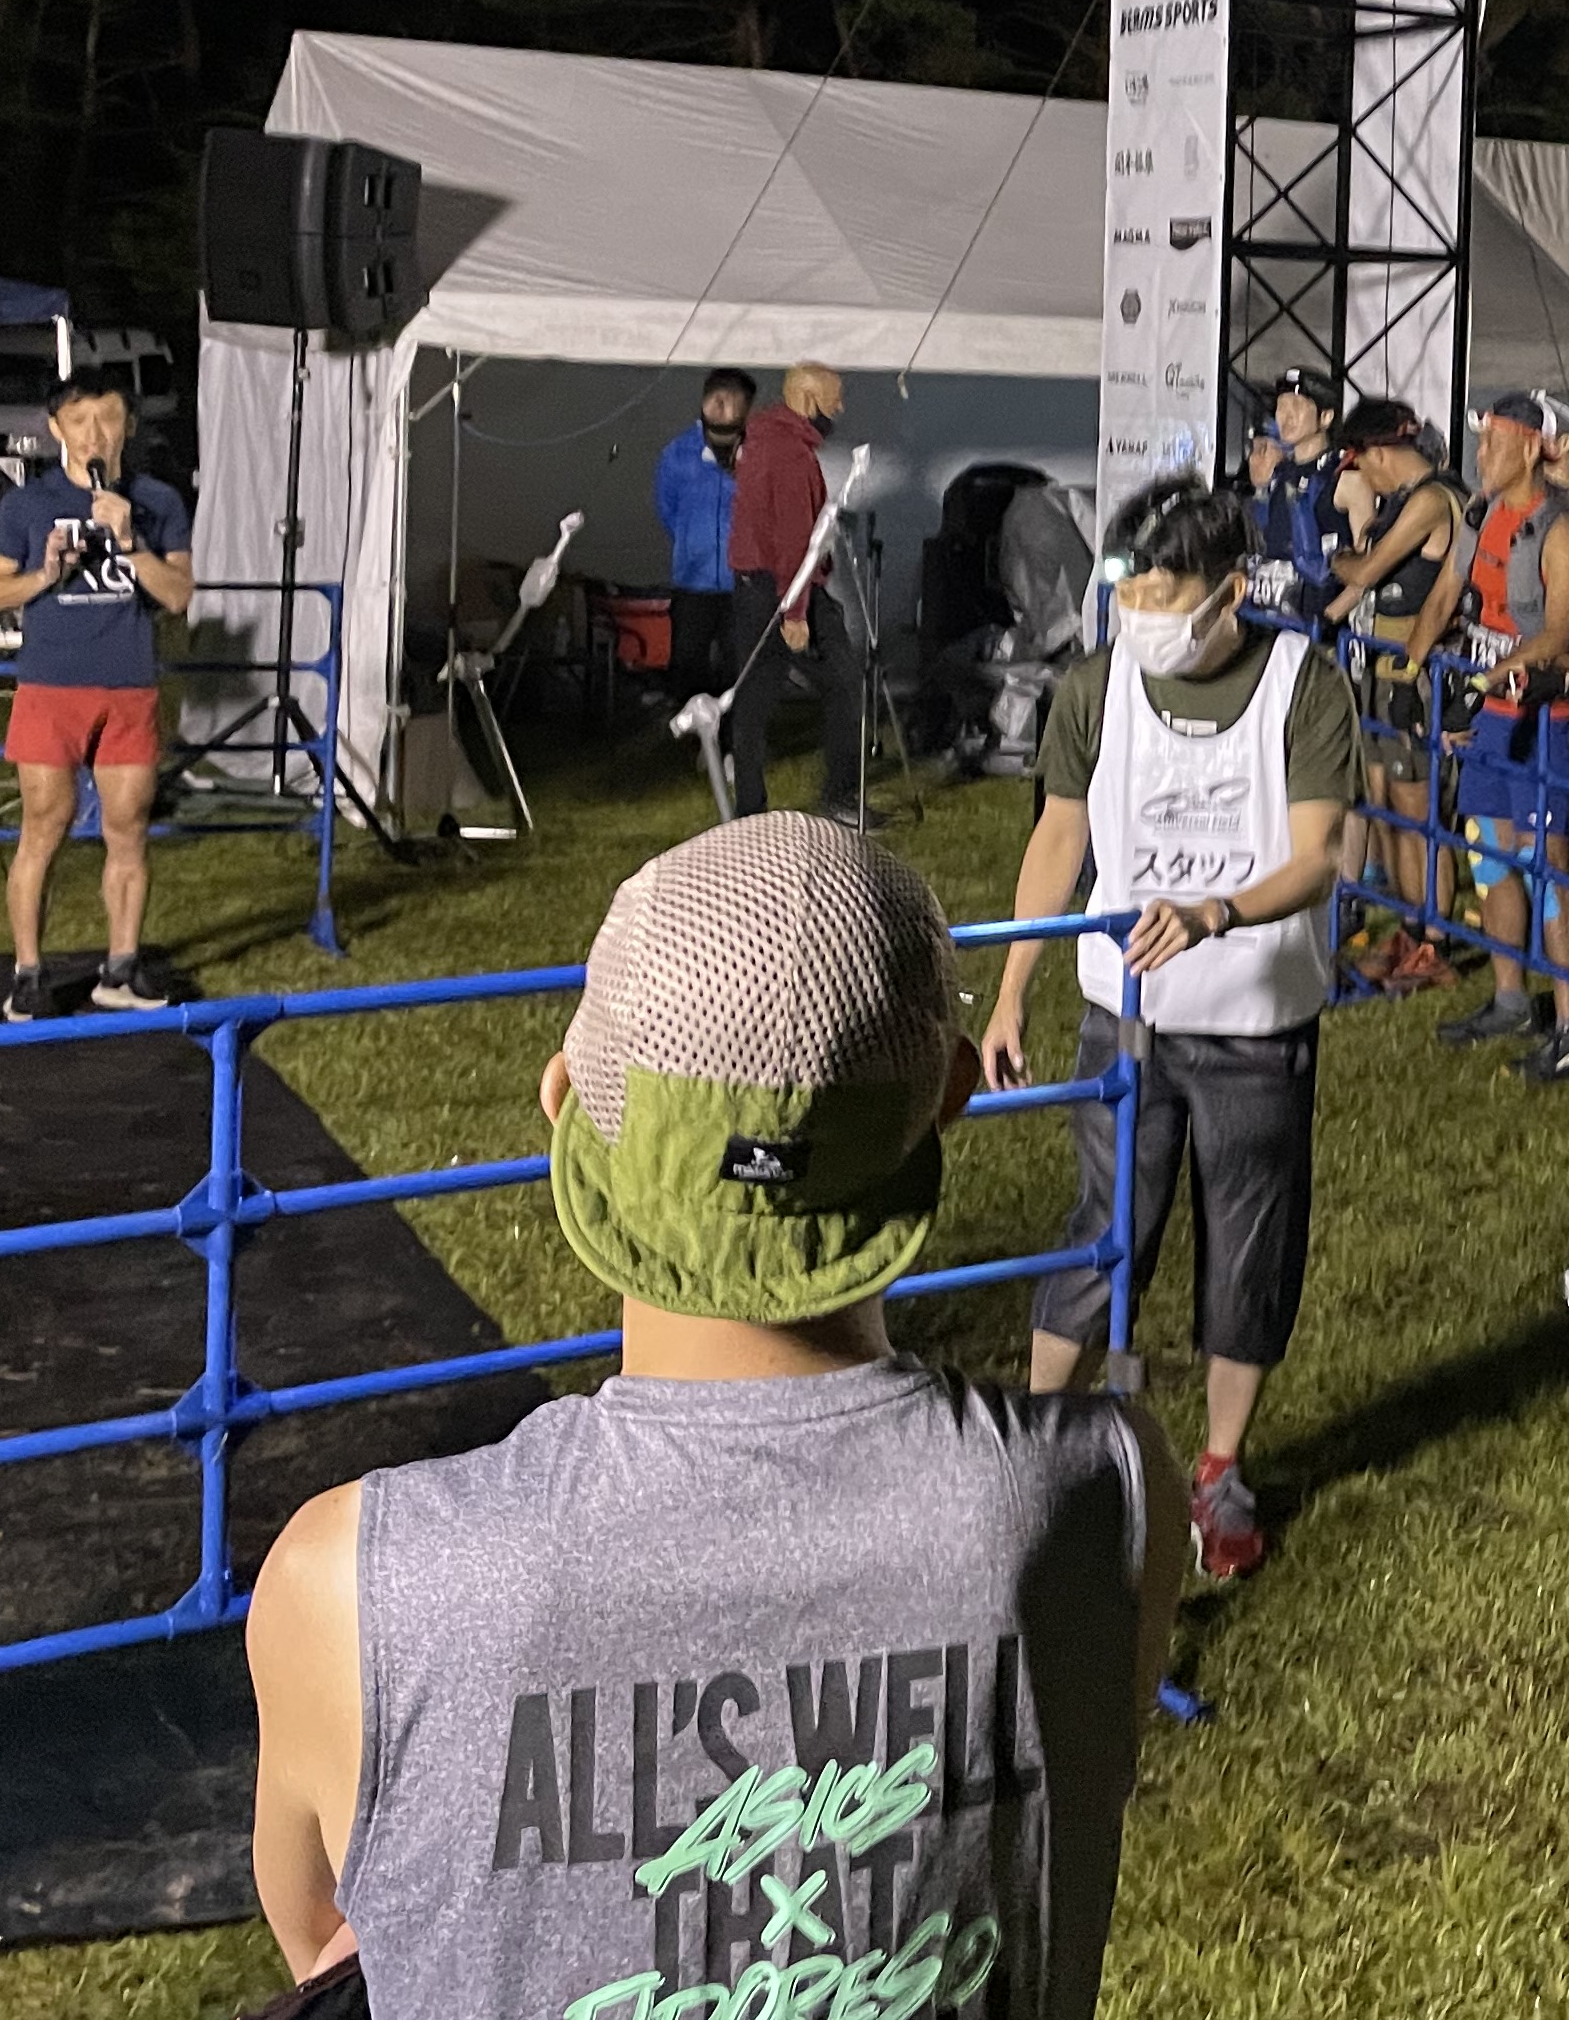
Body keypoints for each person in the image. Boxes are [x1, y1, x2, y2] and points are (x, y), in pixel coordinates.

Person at [243, 811, 1180, 2020]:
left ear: (565, 1102)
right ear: (950, 1095)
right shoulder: (1104, 1497)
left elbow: (336, 1945)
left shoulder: (350, 1586)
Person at [990, 476, 1356, 1583]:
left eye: (1165, 591)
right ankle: (1033, 1450)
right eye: (1129, 590)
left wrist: (1216, 913)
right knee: (1105, 1232)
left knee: (1250, 1248)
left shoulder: (1303, 685)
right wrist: (1013, 987)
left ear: (1230, 589)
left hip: (1255, 1023)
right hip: (1127, 1020)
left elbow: (1318, 853)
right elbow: (1059, 838)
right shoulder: (1095, 688)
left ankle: (1219, 1468)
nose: (1142, 612)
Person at [0, 373, 195, 1020]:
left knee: (128, 827)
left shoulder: (156, 501)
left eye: (108, 419)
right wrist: (45, 574)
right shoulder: (27, 504)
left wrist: (130, 543)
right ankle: (27, 974)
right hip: (51, 686)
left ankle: (120, 970)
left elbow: (178, 596)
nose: (95, 435)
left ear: (130, 425)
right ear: (56, 430)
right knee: (45, 825)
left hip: (128, 685)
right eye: (79, 421)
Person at [1429, 390, 1569, 1067]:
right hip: (1489, 714)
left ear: (1531, 448)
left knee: (1550, 868)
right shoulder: (1482, 515)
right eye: (1480, 443)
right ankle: (1511, 999)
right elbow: (1449, 597)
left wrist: (1493, 676)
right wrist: (1415, 666)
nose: (1481, 457)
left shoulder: (1562, 524)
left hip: (1540, 718)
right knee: (1489, 854)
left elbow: (1562, 629)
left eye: (1494, 444)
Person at [1324, 397, 1458, 991]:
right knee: (1395, 817)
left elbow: (1366, 570)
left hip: (1414, 673)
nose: (1361, 478)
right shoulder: (1405, 499)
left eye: (1359, 464)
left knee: (1420, 816)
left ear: (1378, 453)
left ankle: (1435, 942)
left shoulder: (1431, 498)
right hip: (1384, 667)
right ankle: (1410, 928)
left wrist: (1337, 558)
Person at [724, 362, 863, 823]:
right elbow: (792, 539)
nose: (838, 408)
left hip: (753, 585)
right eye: (833, 398)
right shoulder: (790, 455)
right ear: (807, 399)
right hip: (788, 587)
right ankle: (841, 797)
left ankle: (748, 808)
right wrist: (796, 612)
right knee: (845, 683)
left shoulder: (761, 440)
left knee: (753, 698)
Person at [649, 367, 751, 691]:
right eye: (718, 399)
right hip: (692, 582)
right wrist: (693, 543)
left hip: (742, 583)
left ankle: (734, 723)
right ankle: (691, 718)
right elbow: (667, 508)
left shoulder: (755, 454)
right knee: (689, 666)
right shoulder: (678, 454)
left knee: (739, 670)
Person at [1244, 364, 1345, 620]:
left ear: (1326, 417)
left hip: (1315, 623)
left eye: (1297, 406)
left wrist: (1331, 616)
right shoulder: (1278, 475)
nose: (1286, 417)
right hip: (1268, 617)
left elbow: (1368, 564)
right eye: (1282, 407)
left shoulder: (1342, 475)